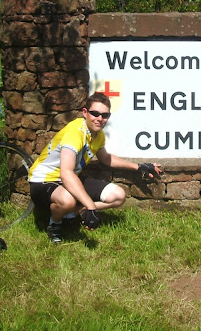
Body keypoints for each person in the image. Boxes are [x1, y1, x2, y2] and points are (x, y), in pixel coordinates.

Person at [29, 92, 162, 243]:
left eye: (104, 115)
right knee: (68, 200)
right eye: (95, 113)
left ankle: (73, 213)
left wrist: (138, 167)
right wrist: (91, 206)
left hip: (70, 180)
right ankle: (55, 222)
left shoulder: (98, 135)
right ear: (85, 112)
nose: (100, 119)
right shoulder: (75, 132)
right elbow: (66, 173)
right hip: (44, 181)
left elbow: (106, 158)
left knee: (118, 196)